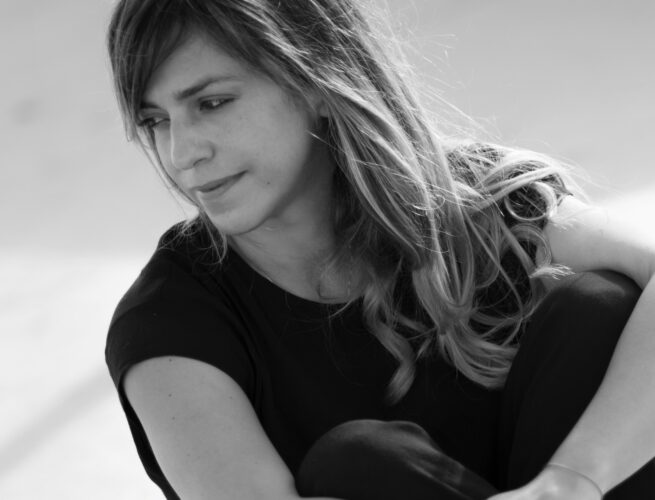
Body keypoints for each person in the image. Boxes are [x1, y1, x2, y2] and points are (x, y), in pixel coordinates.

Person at [104, 1, 655, 499]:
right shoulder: (168, 327)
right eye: (155, 121)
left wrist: (573, 480)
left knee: (600, 305)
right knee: (360, 465)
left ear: (316, 80)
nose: (181, 153)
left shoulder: (475, 198)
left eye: (212, 102)